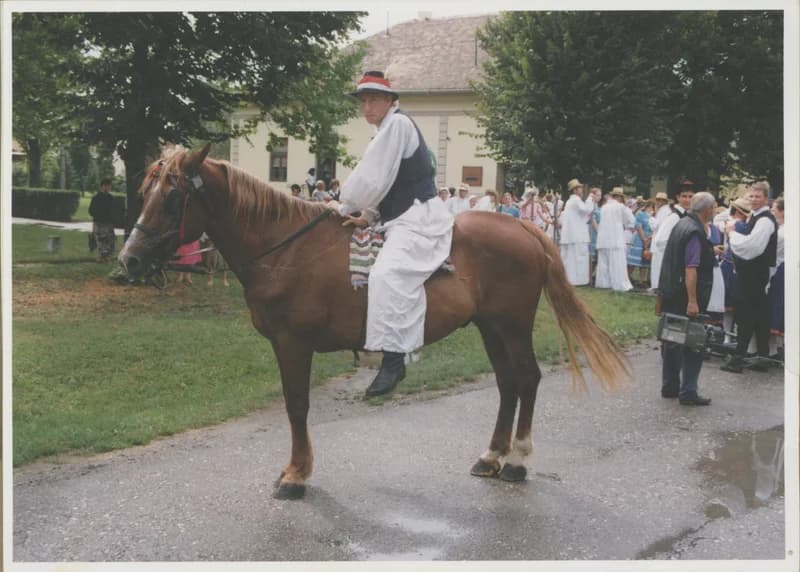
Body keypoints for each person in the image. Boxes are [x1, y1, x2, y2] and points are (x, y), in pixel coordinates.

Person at [332, 70, 454, 397]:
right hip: (398, 216)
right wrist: (368, 215)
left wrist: (343, 206)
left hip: (417, 217)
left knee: (386, 274)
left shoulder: (397, 125)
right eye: (363, 101)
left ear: (390, 101)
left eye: (374, 99)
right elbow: (386, 185)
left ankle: (394, 360)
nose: (367, 107)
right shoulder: (386, 130)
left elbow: (371, 179)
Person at [658, 192, 717, 406]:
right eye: (713, 207)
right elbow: (691, 268)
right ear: (706, 210)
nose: (715, 210)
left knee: (672, 340)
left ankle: (670, 386)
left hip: (672, 291)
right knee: (693, 342)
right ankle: (688, 391)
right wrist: (693, 301)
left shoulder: (681, 223)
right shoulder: (695, 231)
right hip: (686, 295)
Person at [721, 181, 778, 373]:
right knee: (760, 315)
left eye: (758, 196)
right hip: (754, 274)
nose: (753, 200)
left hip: (754, 275)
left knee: (745, 315)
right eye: (751, 196)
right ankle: (762, 356)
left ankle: (738, 359)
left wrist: (732, 234)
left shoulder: (764, 220)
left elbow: (751, 248)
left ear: (766, 198)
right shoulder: (757, 217)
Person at [650, 181, 695, 290]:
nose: (687, 200)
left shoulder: (688, 215)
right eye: (684, 196)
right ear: (678, 197)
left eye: (690, 197)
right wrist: (676, 252)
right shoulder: (674, 216)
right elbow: (660, 240)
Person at [719, 197, 751, 344]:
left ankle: (727, 336)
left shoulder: (733, 224)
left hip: (730, 264)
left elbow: (719, 221)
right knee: (735, 306)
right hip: (738, 265)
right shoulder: (748, 226)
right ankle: (732, 336)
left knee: (728, 306)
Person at [595, 187, 635, 291]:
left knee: (603, 263)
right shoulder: (621, 207)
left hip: (603, 238)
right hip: (615, 238)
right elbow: (631, 220)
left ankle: (603, 284)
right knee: (617, 262)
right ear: (619, 197)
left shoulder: (604, 207)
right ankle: (619, 284)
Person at [559, 178, 596, 286]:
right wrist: (590, 199)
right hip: (576, 235)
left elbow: (581, 216)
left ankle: (570, 279)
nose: (582, 190)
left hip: (572, 234)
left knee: (570, 259)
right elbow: (586, 210)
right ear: (575, 190)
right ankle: (577, 280)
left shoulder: (570, 202)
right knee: (578, 258)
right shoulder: (575, 200)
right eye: (579, 188)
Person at [767, 197, 784, 359]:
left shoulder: (782, 233)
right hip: (783, 270)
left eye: (774, 210)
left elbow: (775, 257)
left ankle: (772, 349)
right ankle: (777, 346)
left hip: (778, 271)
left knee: (774, 306)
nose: (772, 213)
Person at [627, 198, 654, 289]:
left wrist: (649, 238)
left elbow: (654, 228)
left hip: (649, 239)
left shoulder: (653, 216)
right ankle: (626, 278)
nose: (652, 208)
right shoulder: (640, 214)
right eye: (651, 206)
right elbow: (638, 227)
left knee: (645, 262)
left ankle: (641, 281)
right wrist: (644, 239)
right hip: (639, 239)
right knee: (633, 262)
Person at [89, 177, 117, 263]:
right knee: (100, 240)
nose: (107, 188)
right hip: (99, 222)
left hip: (108, 222)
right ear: (101, 187)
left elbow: (114, 210)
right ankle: (102, 257)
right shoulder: (96, 198)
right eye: (105, 186)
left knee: (109, 240)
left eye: (109, 186)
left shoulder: (111, 198)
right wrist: (98, 216)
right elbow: (91, 210)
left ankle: (107, 257)